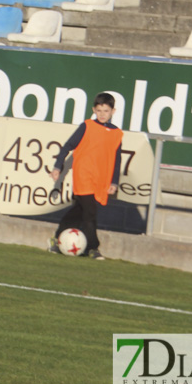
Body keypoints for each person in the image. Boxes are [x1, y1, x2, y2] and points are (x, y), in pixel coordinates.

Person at [48, 93, 123, 261]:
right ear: (93, 110)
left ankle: (57, 239)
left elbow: (117, 159)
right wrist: (58, 166)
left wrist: (114, 181)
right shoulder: (87, 126)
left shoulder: (117, 134)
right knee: (90, 212)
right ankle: (93, 248)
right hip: (84, 175)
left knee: (78, 211)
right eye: (99, 110)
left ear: (113, 111)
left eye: (106, 110)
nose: (102, 114)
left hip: (100, 180)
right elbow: (68, 145)